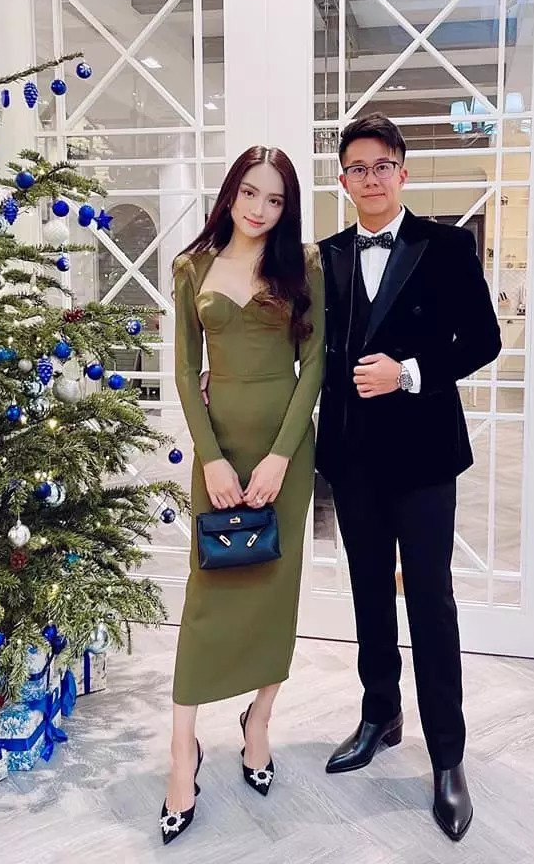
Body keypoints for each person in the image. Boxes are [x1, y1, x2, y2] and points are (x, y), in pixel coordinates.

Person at [316, 113, 501, 842]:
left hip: (424, 457)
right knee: (368, 594)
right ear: (344, 179)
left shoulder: (446, 246)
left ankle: (447, 756)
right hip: (353, 456)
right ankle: (380, 715)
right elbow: (305, 348)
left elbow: (483, 340)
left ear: (403, 171)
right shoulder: (326, 255)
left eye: (382, 165)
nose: (371, 179)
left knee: (430, 601)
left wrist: (410, 372)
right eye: (357, 168)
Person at [162, 146, 324, 845]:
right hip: (219, 452)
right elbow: (183, 371)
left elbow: (313, 365)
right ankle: (182, 752)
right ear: (230, 194)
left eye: (276, 199)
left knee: (273, 588)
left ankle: (259, 720)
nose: (260, 209)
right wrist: (211, 459)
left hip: (285, 450)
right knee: (207, 595)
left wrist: (282, 456)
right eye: (250, 193)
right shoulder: (191, 267)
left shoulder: (303, 265)